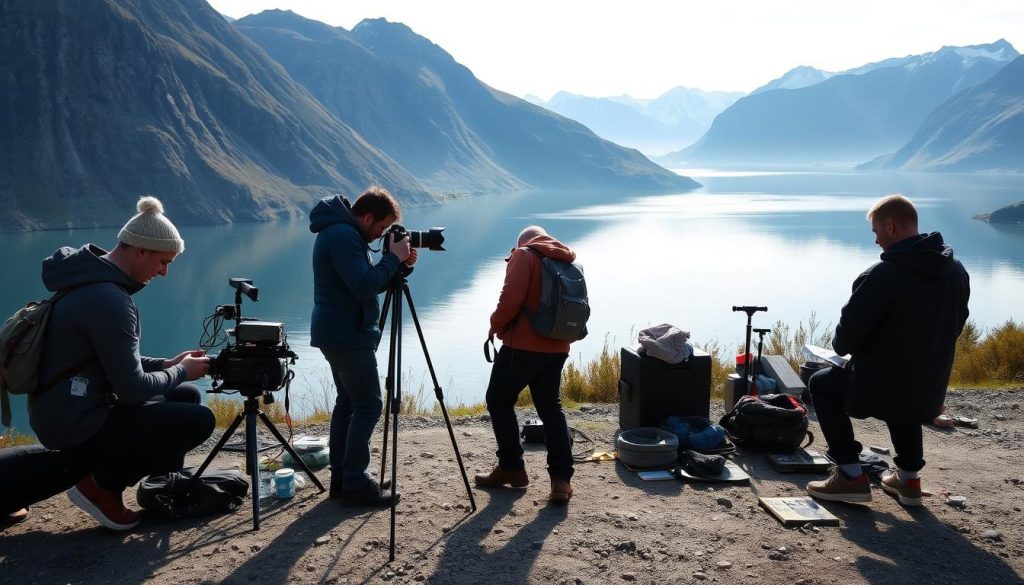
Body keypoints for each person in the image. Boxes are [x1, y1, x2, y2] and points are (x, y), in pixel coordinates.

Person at [27, 196, 215, 530]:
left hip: (62, 407)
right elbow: (130, 390)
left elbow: (109, 359)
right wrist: (181, 370)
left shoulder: (88, 281)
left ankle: (156, 481)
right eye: (163, 262)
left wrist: (168, 364)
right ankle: (100, 487)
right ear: (140, 250)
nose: (165, 272)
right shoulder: (109, 300)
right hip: (74, 423)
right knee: (198, 420)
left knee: (185, 396)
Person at [806, 194, 970, 507]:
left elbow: (844, 342)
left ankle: (850, 476)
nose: (876, 241)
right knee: (903, 386)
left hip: (880, 387)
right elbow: (956, 326)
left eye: (876, 232)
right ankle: (908, 480)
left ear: (891, 226)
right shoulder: (956, 271)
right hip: (928, 387)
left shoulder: (882, 276)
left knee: (822, 384)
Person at [309, 187, 416, 508]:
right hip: (346, 335)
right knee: (368, 405)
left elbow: (369, 280)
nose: (381, 235)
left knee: (348, 404)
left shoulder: (342, 233)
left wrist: (399, 265)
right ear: (366, 217)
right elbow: (363, 286)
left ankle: (342, 479)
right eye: (381, 228)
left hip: (338, 332)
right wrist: (392, 257)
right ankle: (355, 481)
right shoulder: (343, 236)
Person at [474, 226, 577, 505]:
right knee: (550, 407)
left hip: (522, 347)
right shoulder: (564, 259)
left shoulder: (524, 255)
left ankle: (512, 468)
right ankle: (561, 480)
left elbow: (510, 298)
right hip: (557, 346)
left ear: (521, 242)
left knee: (498, 400)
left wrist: (495, 326)